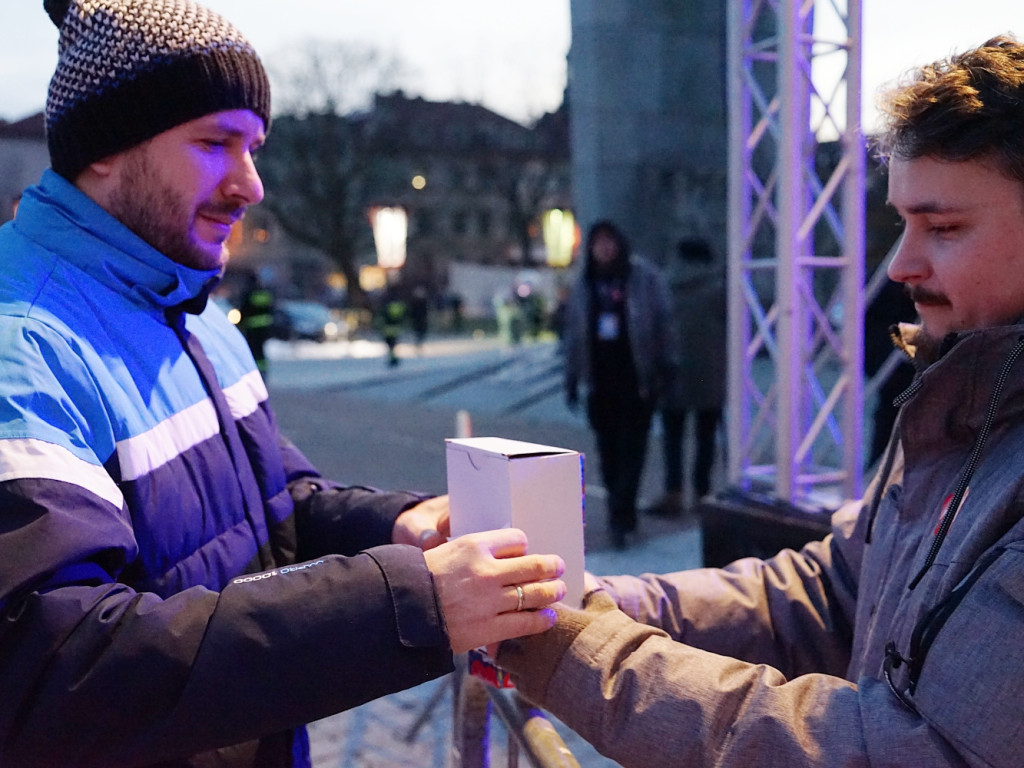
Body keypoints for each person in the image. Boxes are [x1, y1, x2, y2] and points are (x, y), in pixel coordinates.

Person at [0, 1, 565, 766]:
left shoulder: (192, 308)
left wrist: (396, 530)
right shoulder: (21, 341)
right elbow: (60, 668)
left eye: (255, 145)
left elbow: (275, 508)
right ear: (105, 147)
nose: (251, 184)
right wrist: (408, 601)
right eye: (215, 143)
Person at [495, 35, 1024, 768]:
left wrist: (589, 655)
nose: (900, 264)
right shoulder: (959, 392)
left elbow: (913, 754)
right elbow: (834, 589)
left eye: (944, 228)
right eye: (901, 222)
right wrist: (611, 602)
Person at [562, 220, 676, 548]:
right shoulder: (585, 283)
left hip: (636, 381)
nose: (604, 249)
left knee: (633, 450)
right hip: (600, 383)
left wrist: (666, 368)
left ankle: (622, 512)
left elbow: (663, 323)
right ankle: (617, 508)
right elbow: (574, 334)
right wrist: (572, 378)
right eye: (598, 244)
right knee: (608, 451)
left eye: (609, 242)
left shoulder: (643, 278)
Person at [647, 238, 725, 517]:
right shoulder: (719, 288)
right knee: (706, 436)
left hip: (673, 371)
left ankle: (673, 492)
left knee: (673, 436)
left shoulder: (664, 286)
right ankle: (702, 493)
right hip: (711, 373)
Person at [236, 268, 277, 374]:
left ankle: (255, 370)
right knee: (260, 350)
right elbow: (271, 309)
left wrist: (240, 323)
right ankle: (263, 370)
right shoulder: (265, 293)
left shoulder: (249, 293)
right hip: (264, 327)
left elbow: (244, 310)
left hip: (252, 328)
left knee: (253, 350)